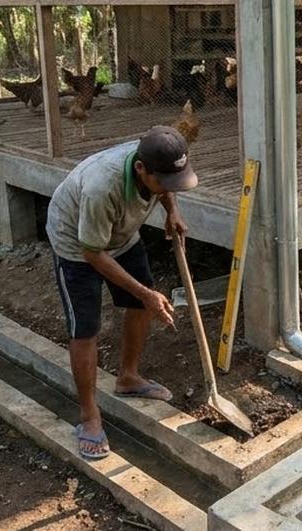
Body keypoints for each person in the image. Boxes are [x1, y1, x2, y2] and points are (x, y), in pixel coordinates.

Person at [46, 126, 196, 459]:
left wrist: (173, 212)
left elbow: (166, 183)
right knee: (85, 328)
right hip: (77, 244)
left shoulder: (156, 158)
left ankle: (128, 378)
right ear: (141, 170)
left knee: (142, 303)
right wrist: (144, 292)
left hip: (121, 235)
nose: (168, 188)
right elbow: (92, 252)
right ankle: (89, 416)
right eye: (163, 183)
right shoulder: (103, 187)